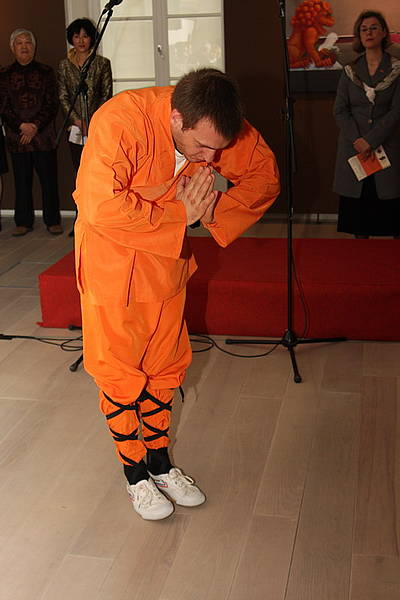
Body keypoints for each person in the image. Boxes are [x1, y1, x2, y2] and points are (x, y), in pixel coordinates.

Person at [74, 68, 280, 520]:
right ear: (176, 118)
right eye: (202, 147)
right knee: (119, 373)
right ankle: (134, 474)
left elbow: (264, 177)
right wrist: (179, 216)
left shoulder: (211, 120)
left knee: (166, 366)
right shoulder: (119, 121)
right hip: (113, 264)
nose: (211, 158)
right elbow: (99, 205)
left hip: (165, 262)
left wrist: (210, 211)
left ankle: (160, 463)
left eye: (218, 150)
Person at [333, 10, 400, 238]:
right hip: (354, 149)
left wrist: (371, 140)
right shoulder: (350, 70)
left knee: (392, 216)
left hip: (386, 148)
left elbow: (397, 111)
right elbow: (340, 110)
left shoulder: (397, 69)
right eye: (363, 29)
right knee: (359, 222)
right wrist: (358, 140)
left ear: (383, 33)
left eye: (373, 28)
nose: (368, 33)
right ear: (359, 36)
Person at [0, 29, 62, 237]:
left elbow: (52, 104)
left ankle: (52, 220)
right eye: (19, 43)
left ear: (34, 47)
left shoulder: (46, 72)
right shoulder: (4, 74)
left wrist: (34, 126)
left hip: (43, 136)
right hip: (18, 137)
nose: (24, 46)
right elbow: (3, 107)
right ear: (12, 48)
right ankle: (23, 222)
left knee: (49, 181)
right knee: (21, 182)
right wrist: (21, 126)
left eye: (28, 42)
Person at [57, 18, 112, 237]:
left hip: (97, 127)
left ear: (92, 39)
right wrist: (77, 120)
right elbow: (63, 96)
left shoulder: (102, 63)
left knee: (98, 174)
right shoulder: (64, 65)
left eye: (85, 36)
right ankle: (81, 218)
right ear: (71, 38)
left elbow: (106, 95)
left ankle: (100, 218)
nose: (81, 41)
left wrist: (93, 121)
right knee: (79, 174)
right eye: (76, 36)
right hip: (74, 128)